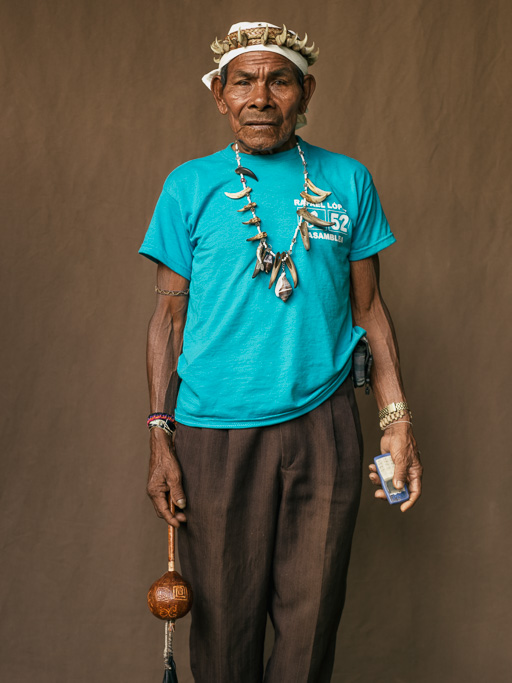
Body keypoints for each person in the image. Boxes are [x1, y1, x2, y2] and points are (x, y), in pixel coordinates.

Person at [140, 21, 422, 683]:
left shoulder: (347, 181)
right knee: (223, 628)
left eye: (279, 79)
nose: (261, 96)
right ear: (221, 97)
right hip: (213, 431)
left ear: (305, 92)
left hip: (323, 427)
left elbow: (369, 309)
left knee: (312, 622)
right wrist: (160, 435)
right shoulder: (189, 185)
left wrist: (397, 421)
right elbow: (166, 320)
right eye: (244, 81)